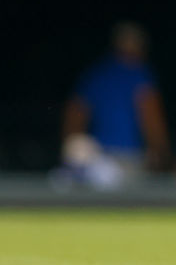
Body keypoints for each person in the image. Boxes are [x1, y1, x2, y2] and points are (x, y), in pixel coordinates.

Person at [60, 21, 170, 187]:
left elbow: (74, 116)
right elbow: (151, 119)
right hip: (127, 160)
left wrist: (68, 148)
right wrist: (161, 154)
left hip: (97, 157)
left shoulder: (96, 73)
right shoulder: (139, 75)